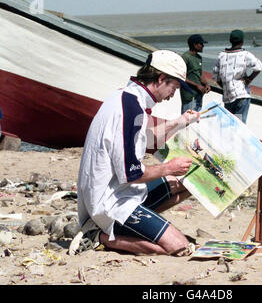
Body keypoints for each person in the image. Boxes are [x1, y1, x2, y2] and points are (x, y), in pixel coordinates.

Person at [69, 50, 201, 256]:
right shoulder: (130, 108)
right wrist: (168, 167)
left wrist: (180, 121)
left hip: (119, 191)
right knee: (179, 247)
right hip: (109, 203)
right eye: (173, 88)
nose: (173, 95)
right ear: (161, 79)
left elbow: (144, 139)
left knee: (189, 182)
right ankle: (99, 236)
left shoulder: (128, 97)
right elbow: (131, 174)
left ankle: (140, 225)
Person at [212, 29, 262, 124]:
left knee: (230, 125)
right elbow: (259, 66)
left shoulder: (221, 56)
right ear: (242, 41)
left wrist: (225, 87)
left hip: (228, 97)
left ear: (230, 41)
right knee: (239, 125)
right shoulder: (245, 55)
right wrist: (249, 79)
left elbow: (215, 77)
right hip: (241, 95)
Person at [180, 34, 211, 114]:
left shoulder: (199, 58)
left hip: (198, 95)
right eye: (201, 44)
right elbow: (181, 76)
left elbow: (200, 74)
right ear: (194, 44)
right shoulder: (186, 57)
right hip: (189, 96)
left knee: (196, 120)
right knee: (187, 120)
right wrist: (197, 85)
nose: (203, 46)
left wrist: (206, 84)